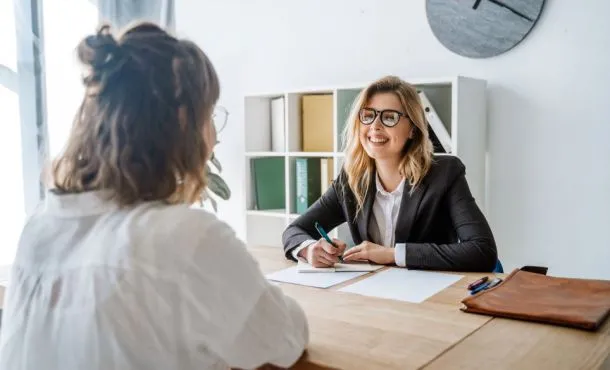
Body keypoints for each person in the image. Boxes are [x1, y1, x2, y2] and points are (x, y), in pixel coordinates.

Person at [0, 23, 308, 370]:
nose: (214, 134)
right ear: (182, 119)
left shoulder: (40, 227)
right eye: (209, 114)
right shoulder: (184, 237)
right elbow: (284, 338)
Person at [282, 76, 497, 272]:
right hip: (375, 294)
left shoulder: (445, 174)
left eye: (390, 117)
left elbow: (482, 251)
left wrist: (392, 255)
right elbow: (295, 230)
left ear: (413, 128)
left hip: (429, 297)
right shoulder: (351, 179)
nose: (375, 126)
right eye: (367, 116)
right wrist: (310, 250)